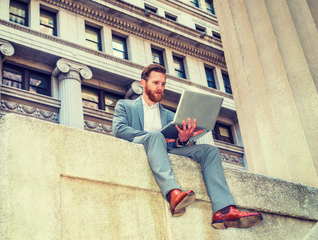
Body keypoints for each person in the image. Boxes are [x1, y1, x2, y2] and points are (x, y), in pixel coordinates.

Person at [112, 63, 262, 229]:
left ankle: (223, 210)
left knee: (210, 151)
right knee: (156, 137)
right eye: (156, 83)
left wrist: (182, 139)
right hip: (143, 145)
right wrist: (155, 137)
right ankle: (173, 194)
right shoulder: (125, 105)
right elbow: (119, 130)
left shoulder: (170, 115)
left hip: (167, 150)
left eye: (163, 84)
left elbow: (175, 143)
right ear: (143, 83)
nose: (160, 88)